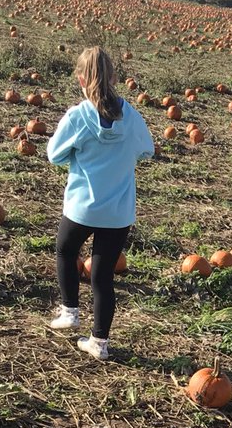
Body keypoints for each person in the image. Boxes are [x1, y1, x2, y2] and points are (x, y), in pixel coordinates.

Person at [46, 46, 154, 361]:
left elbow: (54, 155)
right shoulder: (131, 117)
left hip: (82, 207)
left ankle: (70, 312)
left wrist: (76, 155)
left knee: (66, 250)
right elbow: (147, 150)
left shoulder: (78, 116)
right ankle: (100, 343)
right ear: (115, 78)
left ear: (81, 80)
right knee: (102, 276)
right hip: (118, 212)